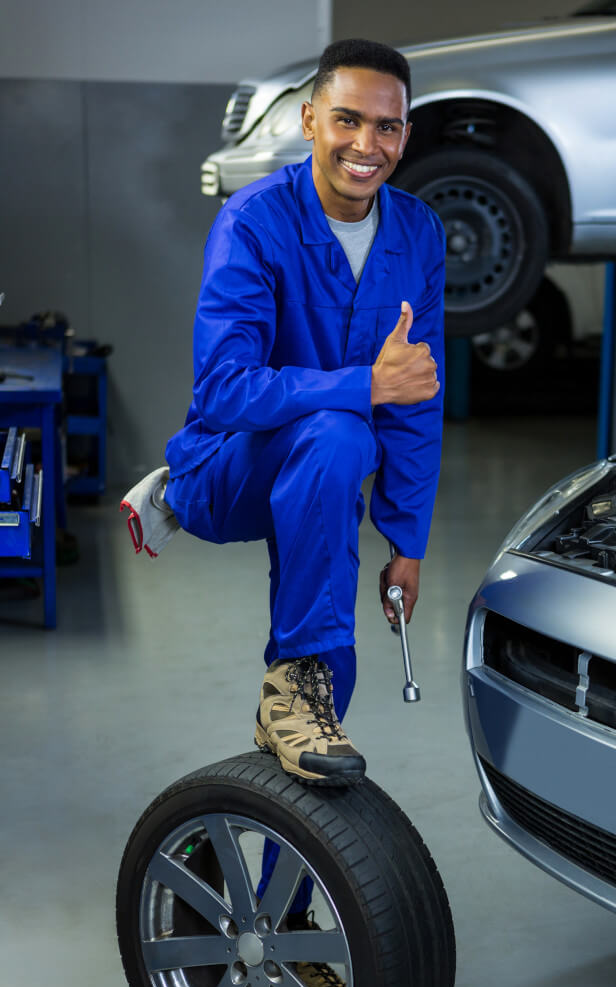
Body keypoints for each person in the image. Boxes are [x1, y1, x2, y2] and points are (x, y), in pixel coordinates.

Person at [165, 37, 445, 789]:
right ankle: (293, 687)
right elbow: (223, 390)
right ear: (308, 118)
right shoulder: (253, 220)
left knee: (324, 677)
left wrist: (406, 539)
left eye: (387, 127)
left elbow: (417, 392)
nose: (366, 145)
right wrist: (362, 387)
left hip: (326, 475)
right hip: (223, 470)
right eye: (347, 120)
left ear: (406, 135)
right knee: (338, 431)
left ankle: (279, 879)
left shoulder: (418, 231)